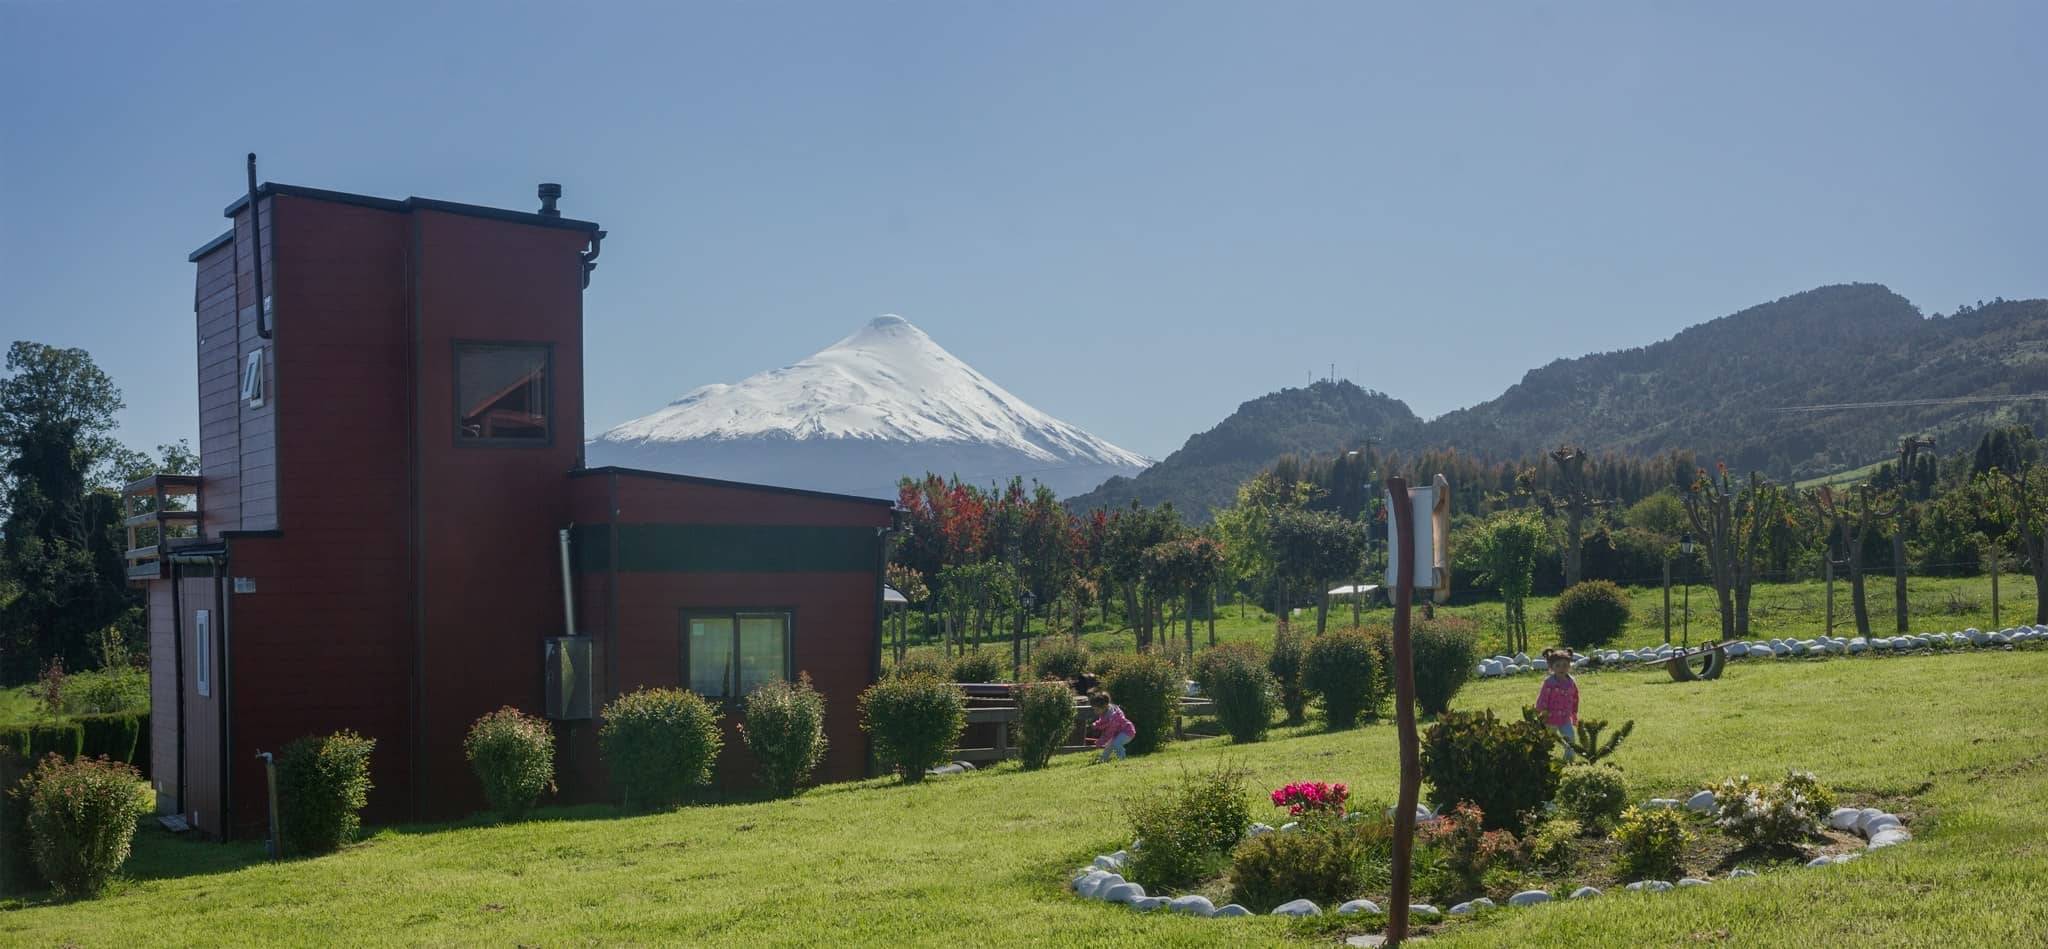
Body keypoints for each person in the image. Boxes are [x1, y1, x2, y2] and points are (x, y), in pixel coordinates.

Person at [1536, 648, 1580, 761]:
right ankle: (1542, 760)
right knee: (1545, 742)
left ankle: (1568, 762)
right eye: (1558, 665)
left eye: (1565, 665)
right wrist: (1540, 714)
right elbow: (1542, 699)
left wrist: (1574, 714)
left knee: (1570, 741)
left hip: (1565, 719)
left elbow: (1575, 698)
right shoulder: (1549, 683)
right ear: (1551, 667)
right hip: (1550, 719)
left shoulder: (1571, 682)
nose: (1562, 668)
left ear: (1569, 666)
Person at [1087, 689, 1136, 763]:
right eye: (1094, 709)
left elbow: (1109, 733)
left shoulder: (1113, 717)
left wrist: (1101, 741)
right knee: (1109, 746)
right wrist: (1096, 724)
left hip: (1127, 732)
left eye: (1097, 709)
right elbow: (1102, 721)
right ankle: (1102, 760)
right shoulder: (1106, 713)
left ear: (1104, 706)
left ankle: (1122, 760)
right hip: (1119, 733)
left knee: (1116, 744)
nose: (1095, 712)